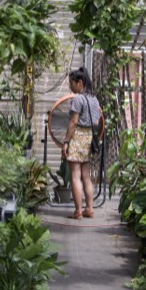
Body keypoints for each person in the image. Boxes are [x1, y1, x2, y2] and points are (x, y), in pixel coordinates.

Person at [62, 67, 101, 219]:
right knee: (86, 176)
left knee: (75, 175)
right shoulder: (94, 99)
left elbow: (73, 122)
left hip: (77, 137)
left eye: (71, 83)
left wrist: (66, 142)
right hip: (89, 138)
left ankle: (78, 211)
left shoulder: (78, 99)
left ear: (79, 82)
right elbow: (97, 121)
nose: (70, 87)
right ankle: (89, 209)